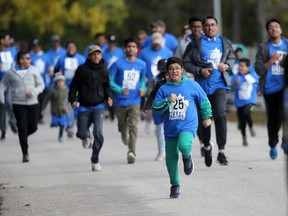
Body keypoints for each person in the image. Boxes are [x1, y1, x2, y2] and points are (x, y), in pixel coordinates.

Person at [152, 57, 212, 198]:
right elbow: (156, 107)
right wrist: (167, 100)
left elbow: (204, 101)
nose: (174, 71)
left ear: (182, 70)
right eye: (171, 69)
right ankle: (175, 185)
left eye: (177, 68)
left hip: (188, 125)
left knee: (184, 145)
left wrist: (207, 117)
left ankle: (187, 157)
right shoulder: (164, 89)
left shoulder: (192, 85)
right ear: (168, 72)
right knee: (170, 159)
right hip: (171, 128)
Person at [183, 15, 235, 166]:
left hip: (220, 84)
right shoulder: (196, 43)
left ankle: (221, 152)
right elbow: (186, 61)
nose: (210, 28)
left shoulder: (224, 41)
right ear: (203, 28)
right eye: (207, 25)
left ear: (217, 27)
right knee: (205, 119)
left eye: (213, 25)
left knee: (220, 114)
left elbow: (231, 58)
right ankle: (206, 146)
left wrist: (227, 66)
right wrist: (200, 70)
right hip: (203, 87)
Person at [69, 45, 113, 171]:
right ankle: (86, 136)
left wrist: (109, 97)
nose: (96, 56)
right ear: (89, 56)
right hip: (83, 106)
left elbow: (107, 87)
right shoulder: (82, 69)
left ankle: (95, 159)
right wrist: (72, 100)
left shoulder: (104, 70)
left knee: (98, 134)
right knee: (81, 133)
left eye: (98, 54)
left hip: (98, 106)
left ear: (101, 55)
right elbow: (74, 86)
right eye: (93, 54)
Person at [0, 51, 44, 162]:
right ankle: (25, 153)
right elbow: (2, 84)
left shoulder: (33, 70)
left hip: (33, 103)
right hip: (18, 104)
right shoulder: (11, 72)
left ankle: (22, 134)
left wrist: (34, 92)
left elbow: (41, 84)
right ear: (21, 60)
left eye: (29, 58)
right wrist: (2, 98)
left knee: (33, 127)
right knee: (22, 126)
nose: (30, 60)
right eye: (27, 58)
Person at [255, 18, 288, 160]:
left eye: (276, 27)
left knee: (285, 115)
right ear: (268, 31)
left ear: (280, 30)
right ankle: (273, 143)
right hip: (270, 89)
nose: (274, 29)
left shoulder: (287, 44)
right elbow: (258, 68)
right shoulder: (264, 48)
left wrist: (282, 62)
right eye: (271, 28)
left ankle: (285, 141)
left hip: (285, 87)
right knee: (274, 119)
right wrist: (271, 61)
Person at [109, 37, 146, 164]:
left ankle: (131, 152)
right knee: (122, 126)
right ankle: (122, 132)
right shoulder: (117, 64)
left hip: (135, 101)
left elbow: (142, 80)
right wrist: (120, 90)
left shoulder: (142, 64)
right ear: (125, 49)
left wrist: (142, 88)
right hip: (120, 101)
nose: (131, 48)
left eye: (133, 46)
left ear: (137, 49)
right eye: (129, 46)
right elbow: (110, 82)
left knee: (133, 126)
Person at [54, 41, 85, 138]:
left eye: (73, 47)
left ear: (76, 48)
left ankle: (74, 124)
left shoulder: (81, 58)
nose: (71, 48)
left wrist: (79, 72)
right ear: (66, 48)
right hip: (66, 87)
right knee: (67, 106)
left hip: (78, 86)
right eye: (69, 47)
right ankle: (70, 126)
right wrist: (58, 77)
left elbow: (87, 71)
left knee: (77, 106)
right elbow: (56, 70)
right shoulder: (62, 58)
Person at [143, 59, 169, 161]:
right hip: (158, 109)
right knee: (159, 130)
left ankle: (171, 149)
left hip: (170, 109)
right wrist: (147, 105)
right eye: (164, 72)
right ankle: (161, 150)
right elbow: (149, 94)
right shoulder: (155, 80)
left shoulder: (175, 81)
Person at [231, 58, 259, 146]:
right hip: (239, 104)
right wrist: (235, 83)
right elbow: (231, 89)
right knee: (242, 121)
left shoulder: (253, 75)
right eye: (239, 66)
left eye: (243, 66)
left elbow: (258, 84)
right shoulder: (235, 77)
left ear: (248, 67)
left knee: (247, 112)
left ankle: (251, 126)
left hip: (251, 102)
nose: (240, 68)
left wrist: (260, 90)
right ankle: (244, 137)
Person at [0, 31, 18, 140]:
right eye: (7, 39)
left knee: (10, 103)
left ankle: (12, 122)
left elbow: (18, 62)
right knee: (2, 106)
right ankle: (3, 130)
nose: (9, 41)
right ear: (1, 41)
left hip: (11, 82)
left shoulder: (12, 51)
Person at [41, 75, 69, 143]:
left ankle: (60, 137)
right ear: (56, 83)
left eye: (62, 82)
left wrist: (67, 106)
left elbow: (69, 100)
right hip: (55, 111)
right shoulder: (52, 90)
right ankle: (53, 124)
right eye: (59, 82)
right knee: (55, 123)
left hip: (63, 111)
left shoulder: (66, 90)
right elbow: (46, 99)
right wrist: (43, 108)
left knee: (62, 124)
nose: (60, 83)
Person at [30, 39, 51, 123]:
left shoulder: (45, 56)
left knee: (42, 101)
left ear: (40, 47)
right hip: (32, 83)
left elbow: (49, 68)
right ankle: (34, 117)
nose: (36, 48)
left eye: (38, 46)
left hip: (43, 83)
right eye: (35, 46)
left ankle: (40, 116)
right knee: (34, 100)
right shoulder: (29, 55)